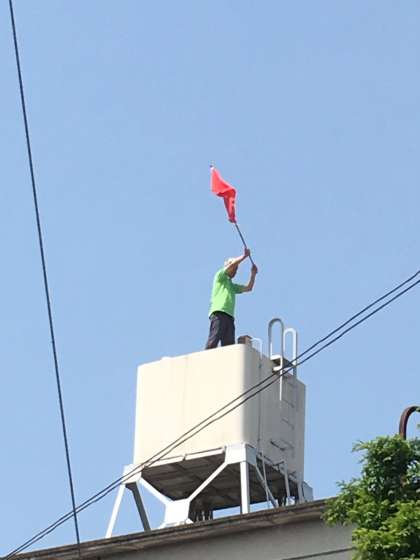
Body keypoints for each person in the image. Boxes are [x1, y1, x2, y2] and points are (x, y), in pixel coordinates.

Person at [205, 248, 258, 349]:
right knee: (213, 340)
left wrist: (253, 274)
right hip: (219, 312)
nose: (235, 271)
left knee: (229, 347)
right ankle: (206, 356)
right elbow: (232, 265)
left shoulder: (232, 286)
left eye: (236, 269)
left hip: (229, 317)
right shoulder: (219, 276)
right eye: (235, 268)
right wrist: (244, 256)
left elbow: (249, 288)